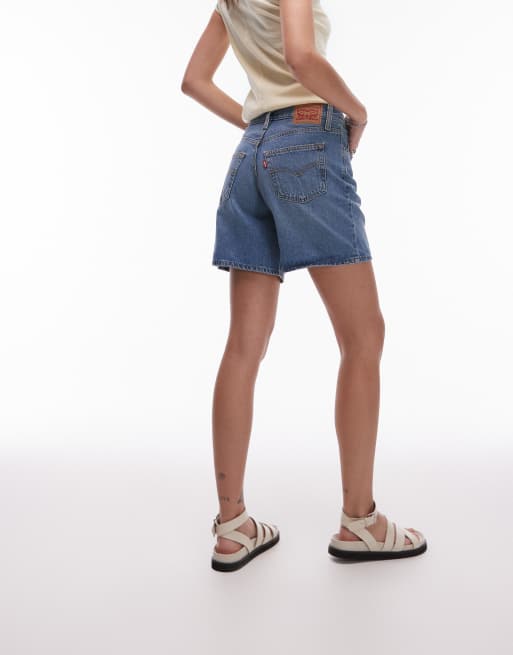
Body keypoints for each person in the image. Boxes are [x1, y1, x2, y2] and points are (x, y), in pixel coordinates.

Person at [181, 0, 427, 572]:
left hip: (250, 155)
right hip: (308, 141)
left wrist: (260, 126)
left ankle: (232, 526)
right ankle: (361, 522)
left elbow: (194, 80)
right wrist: (357, 112)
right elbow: (301, 55)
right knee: (363, 336)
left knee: (244, 346)